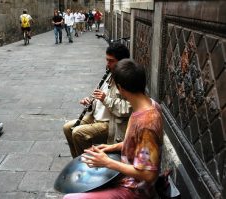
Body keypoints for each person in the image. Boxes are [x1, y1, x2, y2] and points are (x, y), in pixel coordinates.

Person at [63, 59, 164, 199]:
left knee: (69, 198)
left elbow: (148, 174)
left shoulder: (146, 122)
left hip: (135, 189)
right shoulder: (150, 105)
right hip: (127, 176)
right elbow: (140, 144)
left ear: (121, 88)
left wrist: (107, 162)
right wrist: (111, 147)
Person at [63, 43, 131, 158]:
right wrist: (90, 103)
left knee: (78, 133)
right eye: (107, 60)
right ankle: (77, 160)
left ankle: (87, 164)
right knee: (67, 127)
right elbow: (99, 100)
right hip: (95, 117)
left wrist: (105, 99)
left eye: (111, 61)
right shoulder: (109, 74)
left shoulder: (127, 79)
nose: (107, 64)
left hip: (111, 123)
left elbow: (128, 109)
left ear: (121, 62)